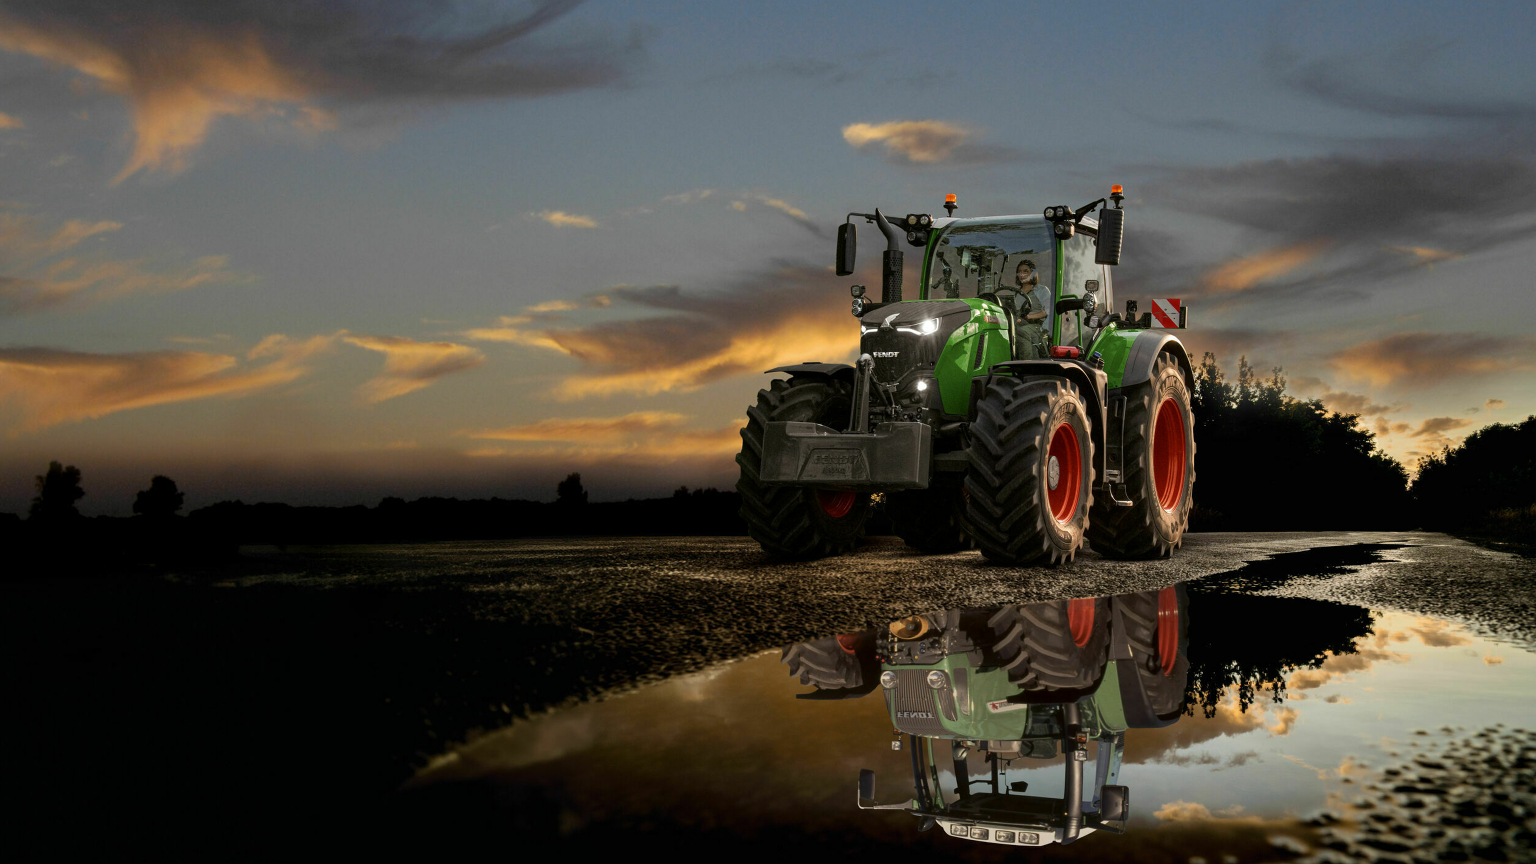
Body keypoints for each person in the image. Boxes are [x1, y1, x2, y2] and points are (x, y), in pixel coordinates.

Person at [1009, 258, 1052, 358]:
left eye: (1025, 271)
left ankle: (1026, 364)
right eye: (1019, 271)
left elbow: (1048, 310)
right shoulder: (1015, 293)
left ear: (1033, 274)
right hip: (1019, 322)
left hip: (1038, 325)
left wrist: (1030, 316)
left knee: (1021, 331)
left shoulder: (1041, 290)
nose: (1021, 274)